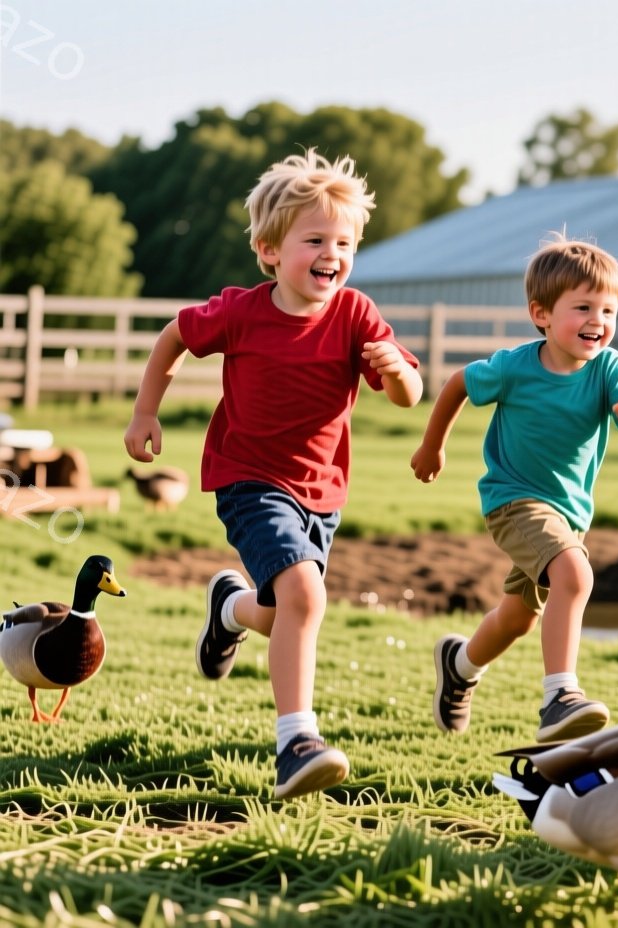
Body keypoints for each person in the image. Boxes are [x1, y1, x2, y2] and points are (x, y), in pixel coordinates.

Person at [124, 149, 422, 800]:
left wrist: (398, 372)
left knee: (285, 603)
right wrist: (146, 410)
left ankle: (228, 610)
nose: (332, 254)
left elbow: (409, 394)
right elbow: (174, 335)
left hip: (323, 490)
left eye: (344, 242)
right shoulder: (240, 312)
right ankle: (296, 740)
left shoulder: (356, 316)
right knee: (306, 598)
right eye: (315, 239)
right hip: (248, 477)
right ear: (269, 251)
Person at [414, 235, 618, 743]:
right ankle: (559, 696)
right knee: (574, 574)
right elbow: (458, 382)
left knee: (518, 618)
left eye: (608, 309)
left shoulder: (609, 369)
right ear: (541, 313)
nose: (598, 320)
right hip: (513, 499)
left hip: (568, 515)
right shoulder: (514, 368)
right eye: (583, 307)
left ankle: (459, 665)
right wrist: (432, 446)